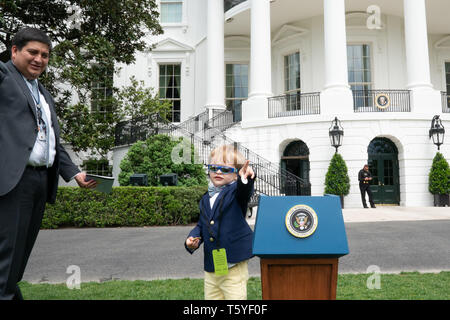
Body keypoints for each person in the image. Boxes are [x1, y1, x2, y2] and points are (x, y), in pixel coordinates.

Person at [0, 27, 97, 300]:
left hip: (40, 183)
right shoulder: (5, 77)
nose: (39, 59)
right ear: (14, 51)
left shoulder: (42, 93)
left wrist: (75, 173)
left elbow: (51, 141)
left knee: (17, 261)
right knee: (6, 259)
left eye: (45, 55)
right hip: (13, 182)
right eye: (32, 52)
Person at [185, 145, 256, 300]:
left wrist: (246, 179)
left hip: (234, 263)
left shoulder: (236, 192)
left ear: (236, 175)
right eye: (214, 167)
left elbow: (245, 191)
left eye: (225, 169)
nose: (218, 172)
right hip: (212, 265)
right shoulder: (205, 198)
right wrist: (193, 238)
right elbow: (202, 225)